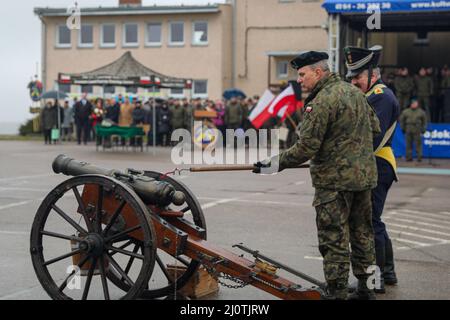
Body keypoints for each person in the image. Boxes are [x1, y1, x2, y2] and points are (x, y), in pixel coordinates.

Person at [253, 51, 380, 300]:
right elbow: (375, 127)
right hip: (363, 179)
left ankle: (337, 292)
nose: (299, 80)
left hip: (334, 183)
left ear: (318, 72)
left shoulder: (321, 101)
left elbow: (305, 148)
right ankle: (367, 289)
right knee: (363, 234)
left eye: (302, 74)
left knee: (333, 238)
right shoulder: (355, 93)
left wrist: (272, 164)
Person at [344, 45, 400, 295]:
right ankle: (387, 273)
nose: (354, 81)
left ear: (373, 75)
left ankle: (377, 279)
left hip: (377, 163)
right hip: (376, 163)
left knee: (369, 223)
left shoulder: (381, 96)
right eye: (352, 77)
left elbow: (370, 137)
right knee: (375, 221)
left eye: (357, 77)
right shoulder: (373, 95)